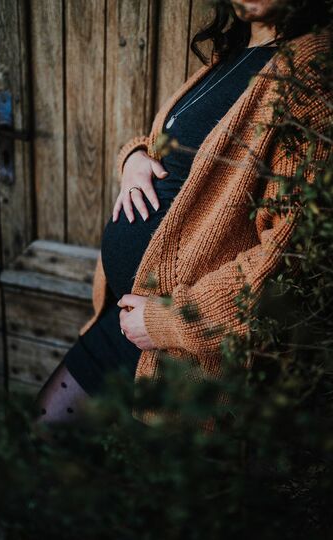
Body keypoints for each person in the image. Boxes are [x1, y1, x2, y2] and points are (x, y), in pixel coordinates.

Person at [32, 0, 332, 433]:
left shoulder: (311, 75)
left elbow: (292, 267)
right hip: (124, 330)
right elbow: (181, 152)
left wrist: (167, 321)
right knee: (41, 447)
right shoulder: (231, 56)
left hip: (185, 359)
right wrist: (133, 156)